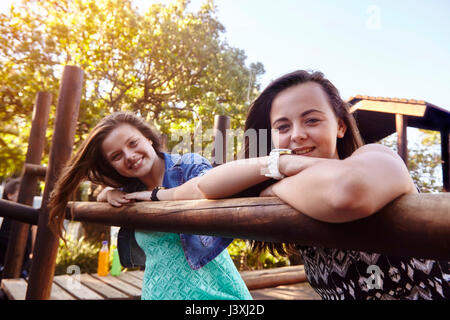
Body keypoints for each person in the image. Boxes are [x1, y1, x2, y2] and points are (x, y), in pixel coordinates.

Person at [196, 70, 450, 300]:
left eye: (312, 120)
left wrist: (274, 186)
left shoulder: (375, 158)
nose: (297, 134)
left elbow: (347, 194)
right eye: (283, 126)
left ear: (340, 126)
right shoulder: (285, 177)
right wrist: (280, 166)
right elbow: (208, 184)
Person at [48, 111, 252, 300]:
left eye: (133, 143)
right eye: (116, 156)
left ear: (148, 138)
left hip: (214, 293)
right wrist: (108, 193)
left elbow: (209, 185)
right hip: (157, 292)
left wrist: (155, 195)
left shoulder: (187, 165)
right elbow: (104, 193)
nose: (129, 156)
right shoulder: (129, 191)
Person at [0, 178, 33, 280]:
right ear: (10, 195)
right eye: (21, 192)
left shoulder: (28, 214)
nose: (26, 196)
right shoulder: (6, 215)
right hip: (5, 260)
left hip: (22, 262)